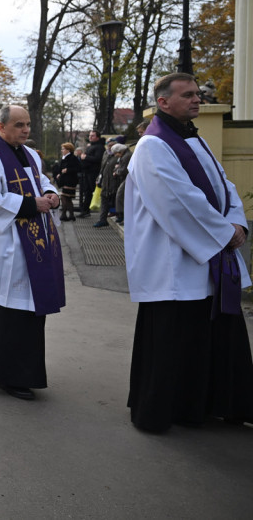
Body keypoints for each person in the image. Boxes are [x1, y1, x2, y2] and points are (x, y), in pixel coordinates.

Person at [124, 73, 253, 432]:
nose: (197, 100)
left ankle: (212, 404)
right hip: (173, 262)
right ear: (163, 102)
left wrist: (237, 223)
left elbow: (224, 185)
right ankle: (165, 410)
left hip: (210, 252)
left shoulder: (196, 138)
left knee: (212, 337)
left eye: (198, 94)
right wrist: (223, 233)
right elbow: (178, 201)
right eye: (188, 95)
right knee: (174, 340)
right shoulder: (152, 146)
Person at [0, 104, 65, 400]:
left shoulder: (32, 155)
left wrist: (52, 195)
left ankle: (14, 367)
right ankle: (9, 374)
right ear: (1, 127)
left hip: (35, 245)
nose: (25, 130)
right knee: (9, 313)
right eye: (19, 125)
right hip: (9, 247)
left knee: (28, 313)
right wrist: (29, 205)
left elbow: (42, 183)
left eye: (27, 124)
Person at [94, 144, 127, 227]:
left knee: (115, 199)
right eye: (108, 146)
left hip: (114, 182)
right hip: (106, 182)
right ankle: (103, 219)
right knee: (104, 200)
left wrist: (116, 170)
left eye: (110, 146)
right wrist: (99, 178)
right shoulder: (107, 155)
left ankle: (119, 216)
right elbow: (103, 168)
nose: (109, 148)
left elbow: (121, 169)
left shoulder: (120, 157)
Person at [78, 130, 105, 217]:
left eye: (92, 136)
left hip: (93, 173)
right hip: (87, 172)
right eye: (90, 135)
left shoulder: (99, 147)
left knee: (92, 191)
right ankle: (85, 210)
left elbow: (98, 159)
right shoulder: (91, 146)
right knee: (87, 192)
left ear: (97, 137)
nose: (90, 137)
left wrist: (86, 157)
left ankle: (92, 209)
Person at [55, 142, 81, 222]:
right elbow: (61, 167)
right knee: (68, 198)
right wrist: (59, 173)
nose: (62, 150)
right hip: (65, 180)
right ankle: (71, 215)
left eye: (63, 149)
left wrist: (67, 170)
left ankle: (64, 214)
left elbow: (78, 168)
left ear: (68, 150)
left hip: (70, 180)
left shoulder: (73, 158)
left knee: (64, 197)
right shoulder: (64, 157)